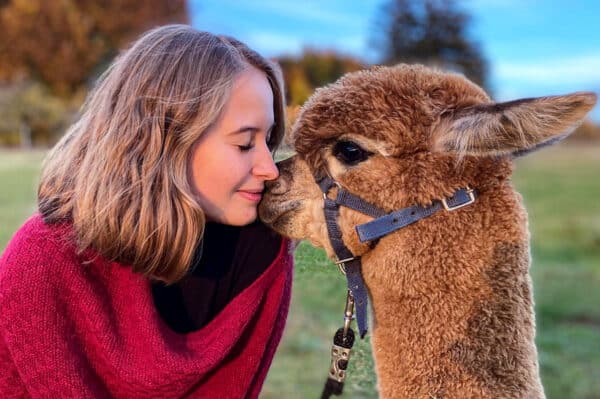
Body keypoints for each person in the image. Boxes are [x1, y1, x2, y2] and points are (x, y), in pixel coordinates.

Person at [0, 25, 292, 398]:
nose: (270, 169)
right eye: (244, 143)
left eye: (269, 141)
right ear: (165, 139)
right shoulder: (42, 260)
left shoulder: (260, 250)